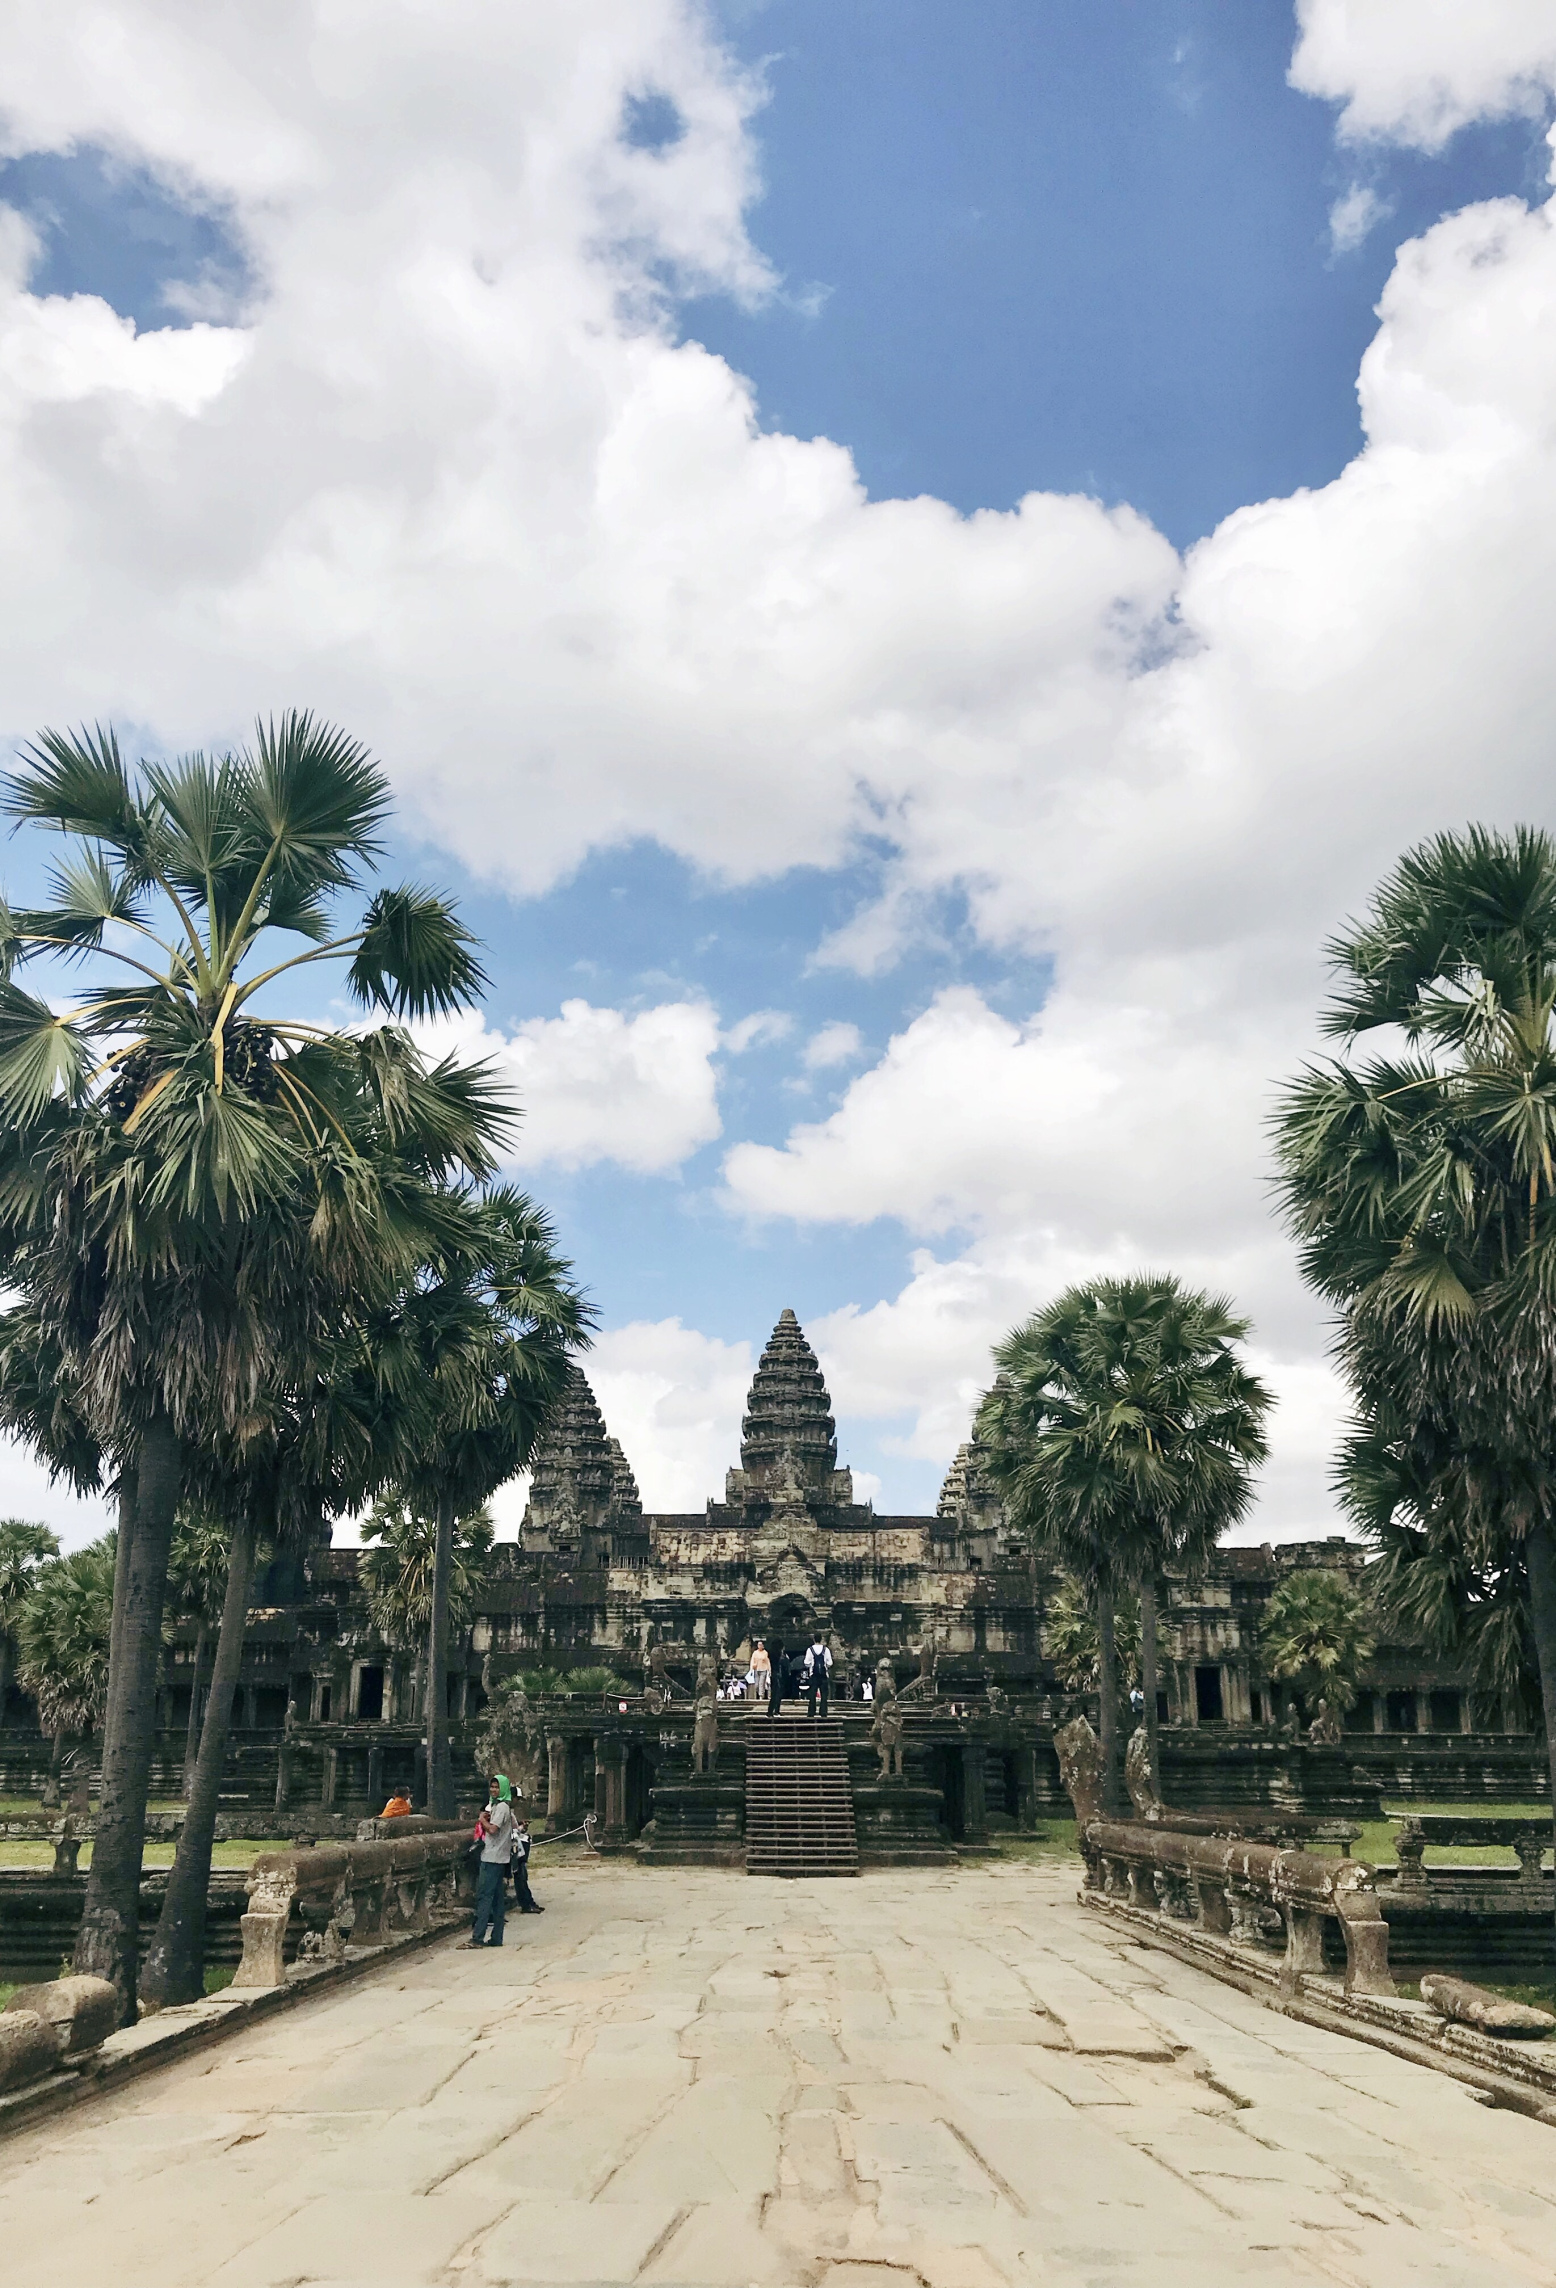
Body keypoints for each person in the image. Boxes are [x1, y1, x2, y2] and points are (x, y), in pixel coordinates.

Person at [463, 1774, 515, 1948]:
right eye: (492, 1787)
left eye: (497, 1787)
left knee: (484, 1896)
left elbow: (493, 1830)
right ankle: (496, 1937)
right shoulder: (499, 1806)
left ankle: (478, 1937)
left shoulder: (501, 1807)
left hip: (492, 1857)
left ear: (504, 1789)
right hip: (499, 1857)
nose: (493, 1790)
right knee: (497, 1899)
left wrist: (481, 1820)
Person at [511, 1814, 544, 1914]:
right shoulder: (503, 1811)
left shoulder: (509, 1813)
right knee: (520, 1877)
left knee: (523, 1877)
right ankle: (526, 1904)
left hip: (519, 1844)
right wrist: (520, 1828)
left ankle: (529, 1902)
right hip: (515, 1847)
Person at [803, 1633, 832, 1719]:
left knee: (812, 1694)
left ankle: (811, 1712)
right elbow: (830, 1663)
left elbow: (806, 1663)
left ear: (814, 1639)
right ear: (821, 1639)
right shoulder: (826, 1649)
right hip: (823, 1675)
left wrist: (811, 1665)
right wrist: (825, 1666)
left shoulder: (810, 1650)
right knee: (824, 1695)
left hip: (814, 1674)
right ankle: (823, 1712)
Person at [768, 1641, 787, 1721]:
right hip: (777, 1675)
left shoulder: (773, 1655)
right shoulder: (778, 1656)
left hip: (775, 1675)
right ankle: (772, 1711)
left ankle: (774, 1710)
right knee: (776, 1693)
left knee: (776, 1694)